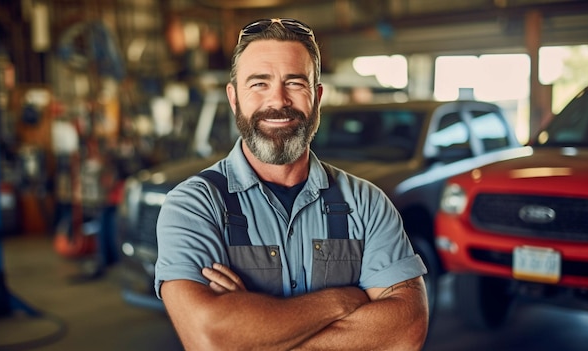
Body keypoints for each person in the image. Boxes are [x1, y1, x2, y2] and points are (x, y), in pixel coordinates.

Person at [155, 18, 429, 350]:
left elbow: (407, 330)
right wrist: (342, 301)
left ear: (317, 96)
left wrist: (254, 335)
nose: (278, 100)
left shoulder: (367, 203)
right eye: (259, 83)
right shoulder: (194, 205)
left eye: (295, 83)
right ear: (234, 98)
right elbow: (210, 339)